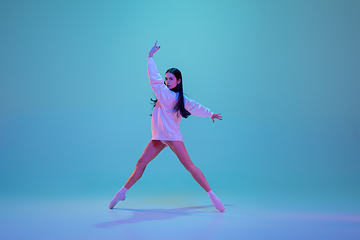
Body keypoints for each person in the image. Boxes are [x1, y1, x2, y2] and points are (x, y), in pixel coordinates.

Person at [109, 41, 225, 212]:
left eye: (171, 79)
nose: (167, 81)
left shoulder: (168, 95)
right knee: (141, 163)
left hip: (171, 137)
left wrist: (150, 58)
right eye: (166, 79)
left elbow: (154, 79)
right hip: (159, 137)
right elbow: (196, 106)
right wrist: (209, 113)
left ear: (178, 81)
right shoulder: (177, 97)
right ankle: (122, 192)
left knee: (189, 166)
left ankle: (212, 195)